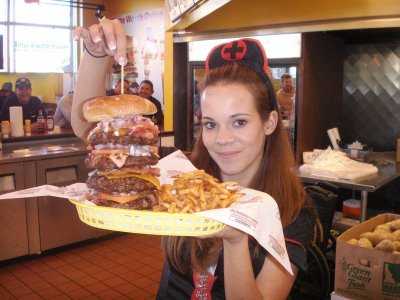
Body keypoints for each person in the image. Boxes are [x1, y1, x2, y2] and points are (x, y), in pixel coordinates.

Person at [72, 19, 316, 299]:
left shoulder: (290, 208)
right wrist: (95, 54)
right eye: (211, 124)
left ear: (270, 122)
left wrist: (236, 241)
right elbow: (88, 129)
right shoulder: (183, 176)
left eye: (238, 122)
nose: (222, 138)